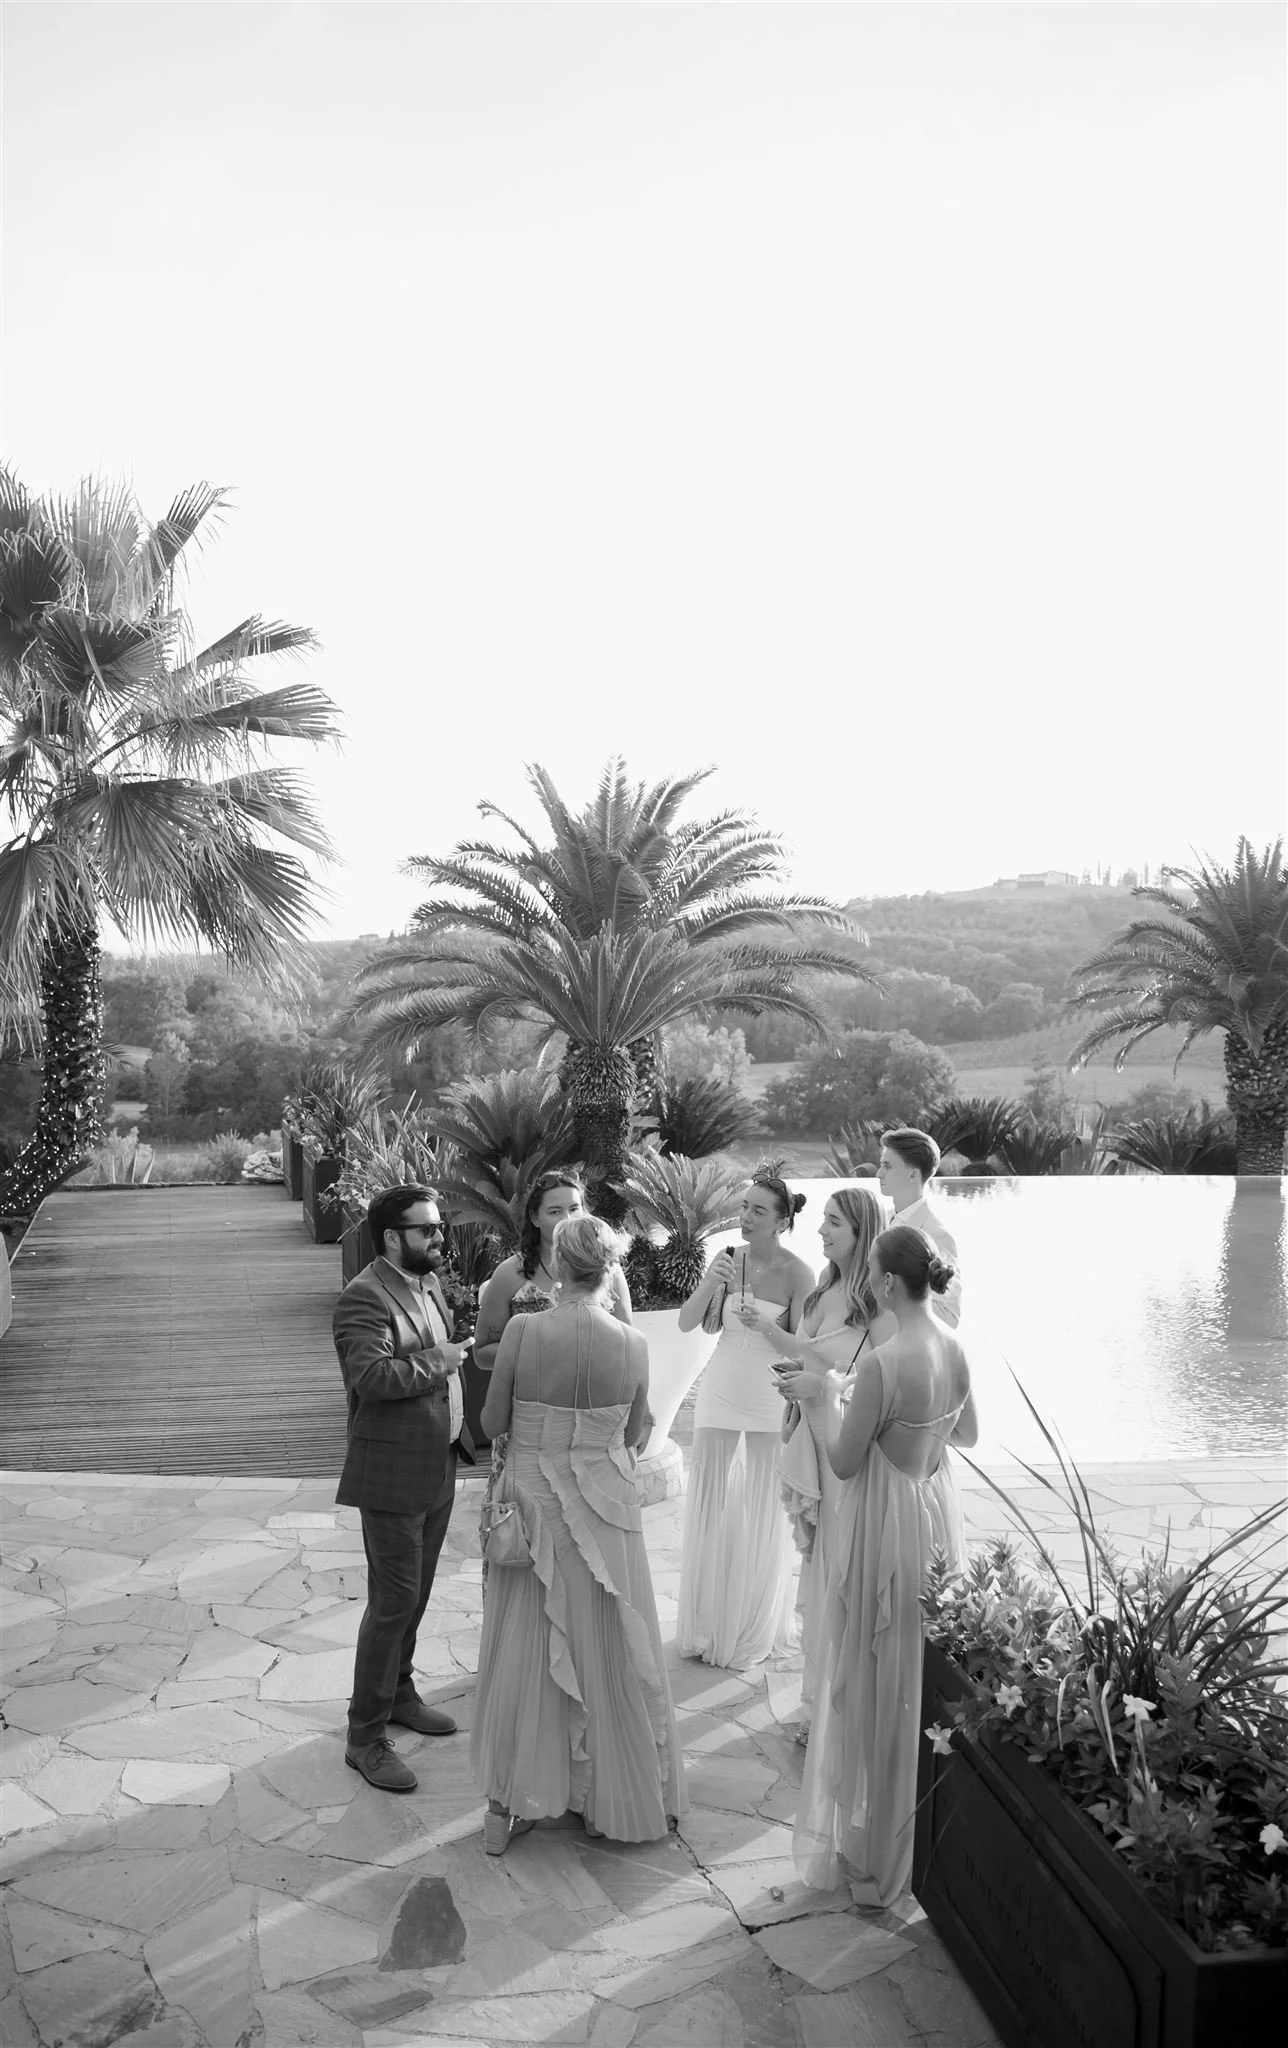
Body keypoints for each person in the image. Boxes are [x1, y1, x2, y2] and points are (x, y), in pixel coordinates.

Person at [470, 1213, 684, 1855]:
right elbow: (636, 1433)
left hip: (533, 1503)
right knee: (607, 1644)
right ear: (610, 1268)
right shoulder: (634, 1343)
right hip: (607, 1508)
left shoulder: (524, 1330)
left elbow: (490, 1422)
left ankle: (507, 1806)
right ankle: (604, 1799)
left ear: (559, 1265)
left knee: (526, 1644)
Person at [794, 1224, 976, 1906]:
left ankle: (876, 1848)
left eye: (873, 1269)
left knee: (875, 1672)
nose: (868, 1279)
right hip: (931, 1510)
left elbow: (844, 1462)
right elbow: (969, 1433)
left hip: (885, 1521)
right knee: (917, 1672)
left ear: (892, 1281)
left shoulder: (882, 1362)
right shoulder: (954, 1345)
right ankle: (914, 1831)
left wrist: (822, 1398)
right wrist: (919, 1432)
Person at [334, 1184, 476, 1793]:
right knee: (392, 1602)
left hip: (438, 1461)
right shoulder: (363, 1297)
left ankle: (398, 1692)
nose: (439, 1237)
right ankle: (364, 1737)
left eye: (438, 1226)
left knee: (415, 1596)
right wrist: (440, 1360)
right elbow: (370, 1377)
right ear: (393, 1237)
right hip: (393, 1472)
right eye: (428, 1229)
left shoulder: (427, 1282)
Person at [745, 1186, 896, 1732]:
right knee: (818, 1572)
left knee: (842, 1575)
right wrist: (790, 1363)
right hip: (808, 1440)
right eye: (824, 1220)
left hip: (844, 1451)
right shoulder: (823, 1289)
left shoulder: (876, 1305)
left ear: (862, 1230)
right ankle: (818, 1704)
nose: (822, 1229)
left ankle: (843, 1714)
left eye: (834, 1222)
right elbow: (807, 1351)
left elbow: (887, 1380)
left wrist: (823, 1386)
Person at [675, 1174, 813, 1670]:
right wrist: (709, 1282)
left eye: (758, 1210)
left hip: (767, 1394)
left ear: (782, 1220)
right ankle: (705, 1624)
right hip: (718, 1389)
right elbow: (687, 1323)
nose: (746, 1217)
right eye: (745, 1207)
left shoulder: (800, 1274)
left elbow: (804, 1349)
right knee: (710, 1500)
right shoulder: (728, 1259)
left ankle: (749, 1622)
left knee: (761, 1505)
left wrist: (767, 1326)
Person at [471, 1171, 634, 1587]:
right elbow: (482, 1351)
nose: (567, 1218)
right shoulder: (510, 1274)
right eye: (555, 1210)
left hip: (587, 1427)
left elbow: (627, 1346)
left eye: (575, 1208)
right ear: (535, 1218)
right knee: (521, 1539)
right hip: (525, 1426)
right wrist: (530, 1351)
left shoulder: (609, 1271)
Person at [876, 1127, 962, 1328]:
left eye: (887, 1166)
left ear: (913, 1175)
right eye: (881, 1165)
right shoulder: (877, 1220)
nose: (879, 1173)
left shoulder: (936, 1235)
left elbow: (950, 1316)